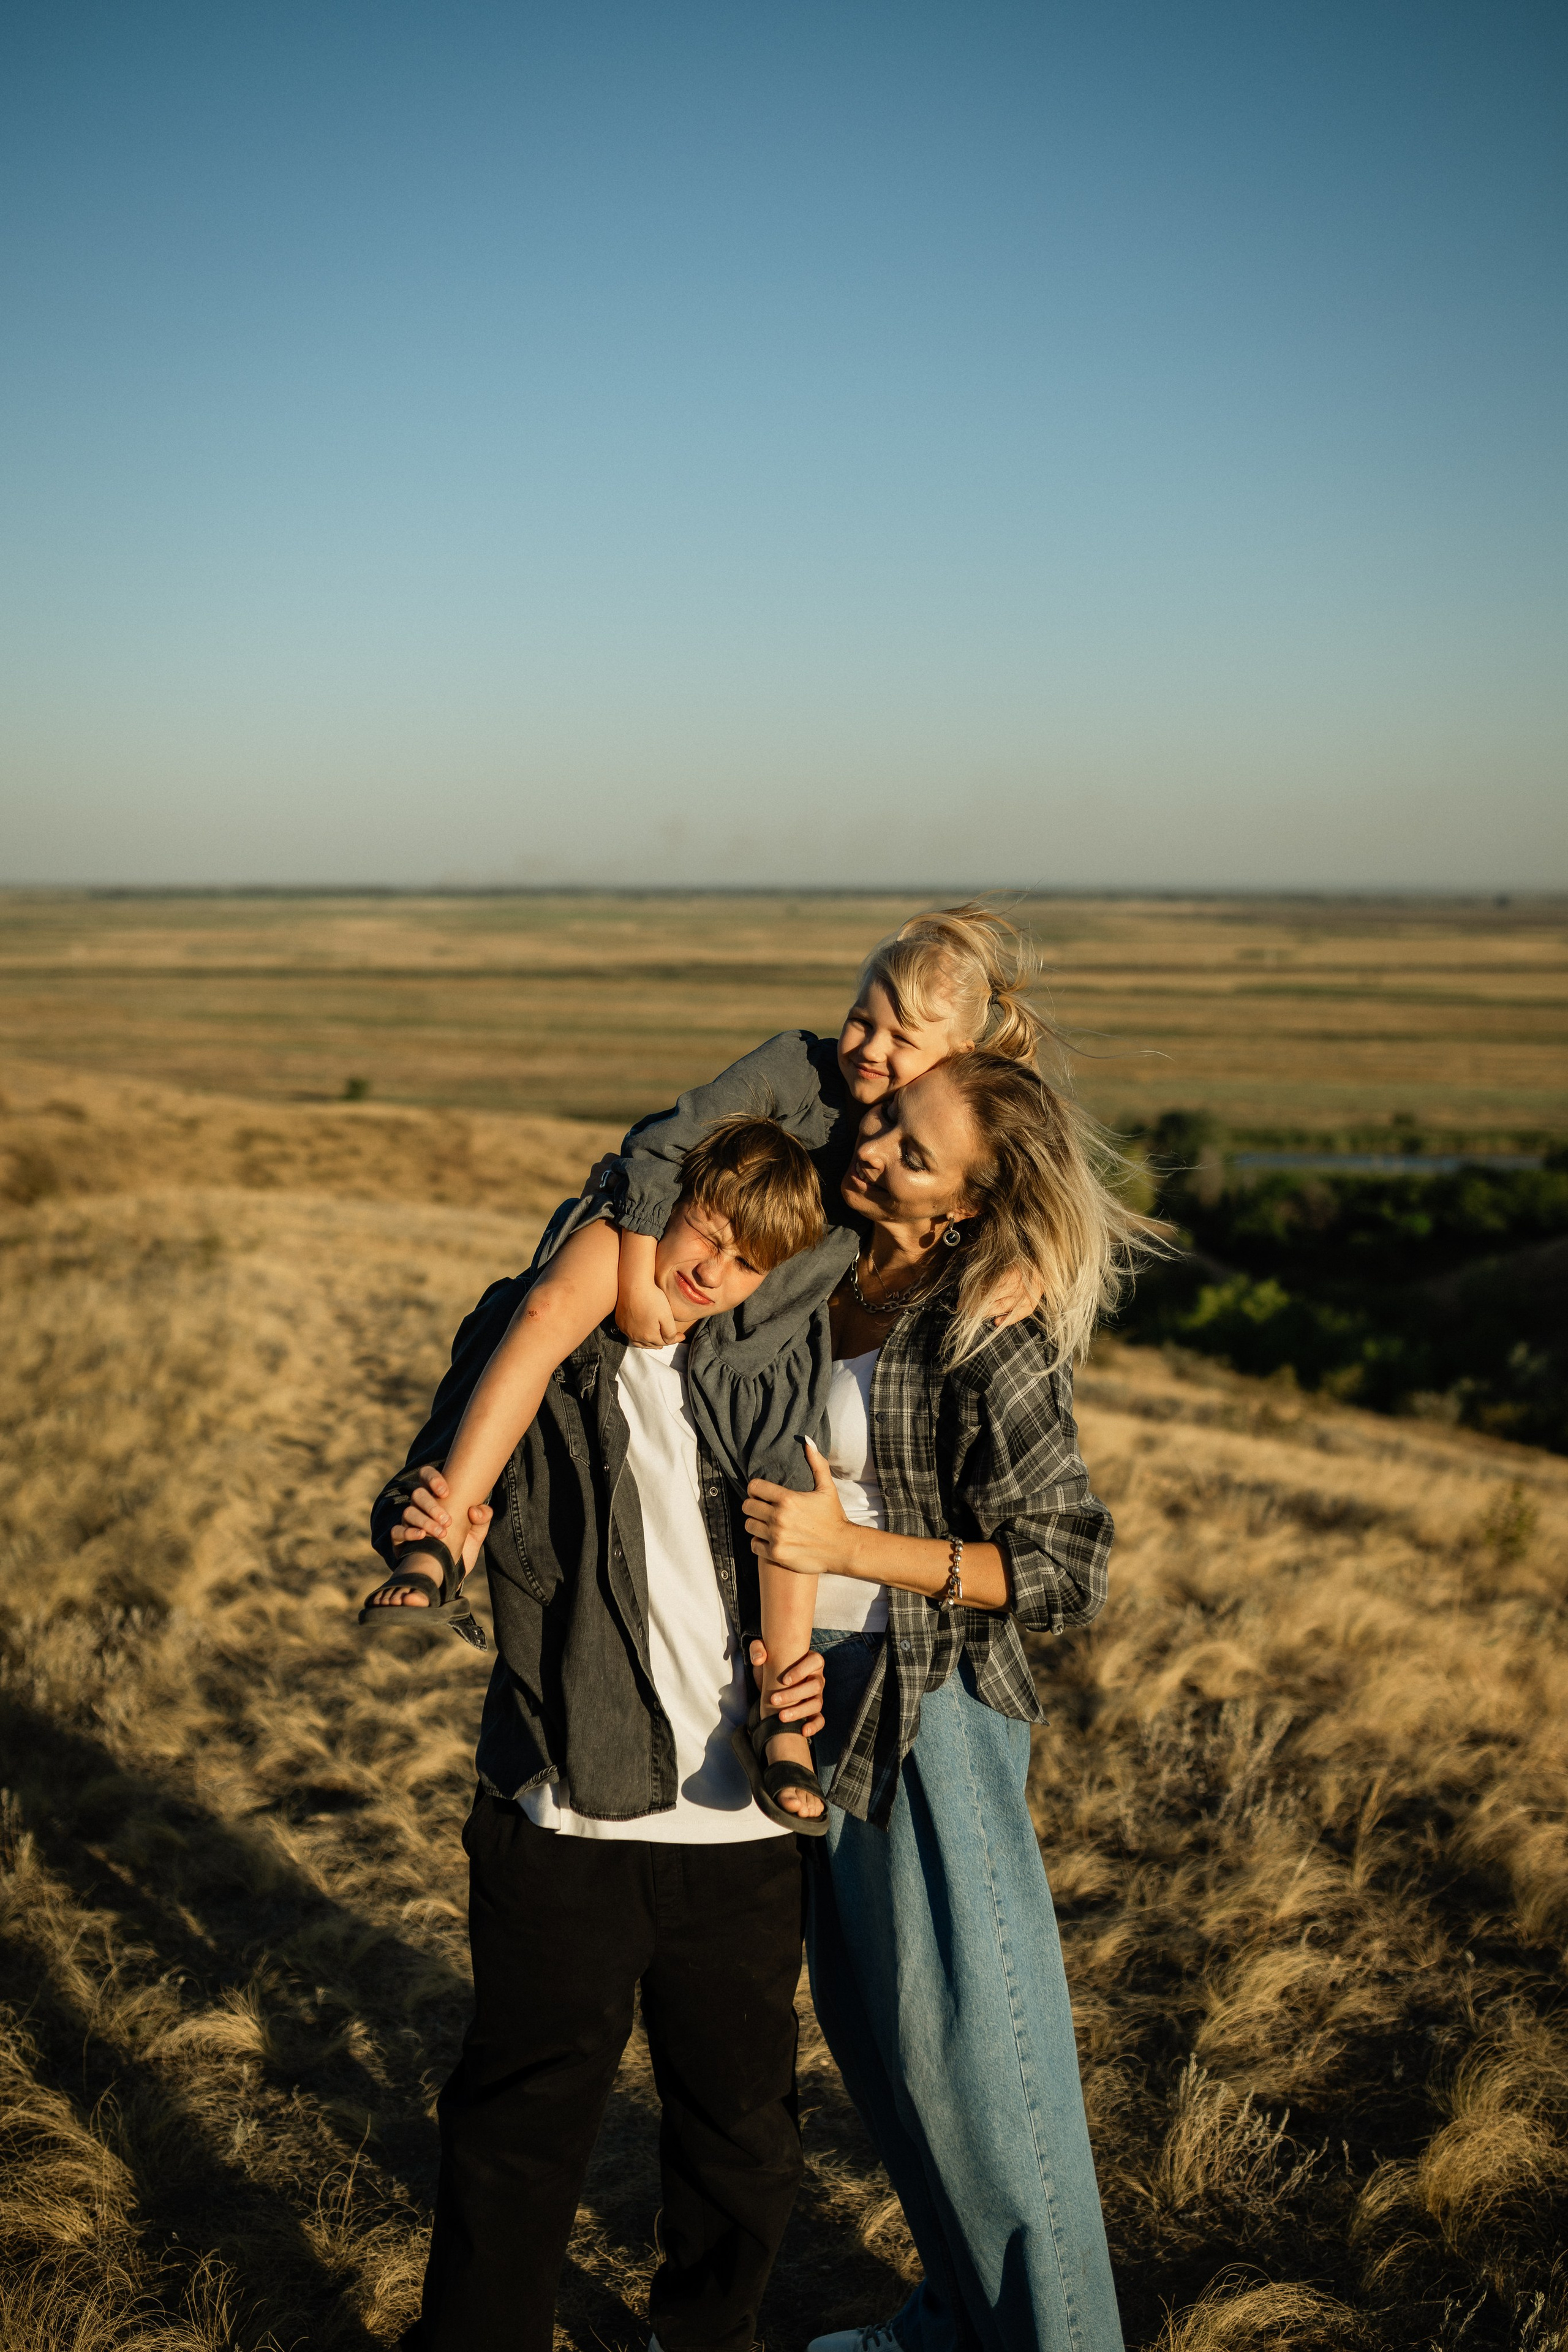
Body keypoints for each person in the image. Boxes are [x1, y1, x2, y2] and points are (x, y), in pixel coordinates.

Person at [364, 902, 1045, 1833]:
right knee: (543, 1314)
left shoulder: (929, 1140)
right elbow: (665, 1141)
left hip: (763, 1324)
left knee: (790, 1481)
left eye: (903, 1038)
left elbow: (996, 1180)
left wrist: (1021, 1251)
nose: (870, 1049)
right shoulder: (794, 1069)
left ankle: (784, 1726)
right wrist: (642, 1271)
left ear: (960, 1058)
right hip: (668, 1218)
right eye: (864, 1016)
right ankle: (438, 1535)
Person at [366, 1117, 832, 2352]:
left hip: (737, 1831)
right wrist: (427, 1537)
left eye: (742, 1261)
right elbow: (431, 1482)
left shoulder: (765, 1376)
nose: (711, 1268)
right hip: (557, 1813)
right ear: (660, 1206)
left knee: (739, 2131)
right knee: (519, 2119)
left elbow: (811, 1558)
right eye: (704, 1232)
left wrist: (806, 1684)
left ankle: (704, 2338)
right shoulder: (539, 1335)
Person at [737, 1051, 1150, 2352]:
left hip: (935, 1718)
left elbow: (1066, 1566)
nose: (871, 1151)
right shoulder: (818, 1264)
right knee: (889, 2059)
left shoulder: (987, 1324)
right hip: (822, 1706)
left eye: (911, 1153)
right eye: (881, 1125)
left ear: (967, 1206)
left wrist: (848, 1551)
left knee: (988, 2076)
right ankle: (957, 2326)